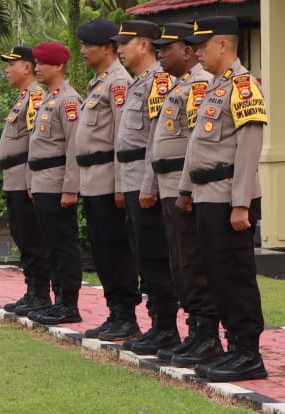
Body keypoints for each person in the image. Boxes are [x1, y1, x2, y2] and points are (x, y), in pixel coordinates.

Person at [177, 16, 267, 382]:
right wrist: (186, 189)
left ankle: (248, 352)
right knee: (215, 273)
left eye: (203, 44)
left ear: (224, 46)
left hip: (230, 195)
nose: (197, 51)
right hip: (206, 194)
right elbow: (196, 144)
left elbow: (249, 147)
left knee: (235, 275)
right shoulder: (214, 87)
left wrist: (241, 202)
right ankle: (233, 347)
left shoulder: (244, 87)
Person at [141, 23, 222, 366]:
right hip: (167, 182)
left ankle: (206, 334)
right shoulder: (176, 85)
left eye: (167, 48)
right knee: (178, 260)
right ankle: (193, 331)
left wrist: (186, 188)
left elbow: (195, 142)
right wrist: (151, 183)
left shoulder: (200, 84)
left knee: (192, 260)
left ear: (188, 52)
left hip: (183, 185)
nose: (160, 53)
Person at [112, 19, 180, 353]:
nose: (120, 50)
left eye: (125, 43)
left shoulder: (159, 82)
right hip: (131, 177)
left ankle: (166, 326)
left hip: (145, 178)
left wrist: (149, 185)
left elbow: (156, 138)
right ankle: (157, 324)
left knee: (155, 255)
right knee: (142, 253)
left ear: (143, 45)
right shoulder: (139, 83)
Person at [72, 18, 138, 339]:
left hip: (109, 179)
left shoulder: (118, 83)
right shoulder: (98, 82)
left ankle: (126, 315)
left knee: (115, 248)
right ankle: (115, 313)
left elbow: (122, 138)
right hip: (92, 178)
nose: (83, 51)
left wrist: (121, 185)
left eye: (88, 45)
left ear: (108, 48)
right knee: (101, 249)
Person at [25, 41, 83, 325]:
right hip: (42, 182)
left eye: (42, 63)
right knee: (49, 243)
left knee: (63, 244)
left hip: (58, 182)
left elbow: (74, 147)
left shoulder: (68, 100)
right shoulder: (49, 98)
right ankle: (57, 297)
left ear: (58, 66)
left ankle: (69, 303)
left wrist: (71, 187)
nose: (37, 68)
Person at [0, 46, 52, 317]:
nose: (7, 70)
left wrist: (31, 179)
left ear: (27, 68)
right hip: (13, 177)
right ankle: (32, 290)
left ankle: (41, 294)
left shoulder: (36, 97)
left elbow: (36, 141)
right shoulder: (23, 97)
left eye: (12, 64)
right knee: (21, 235)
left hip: (24, 178)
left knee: (32, 237)